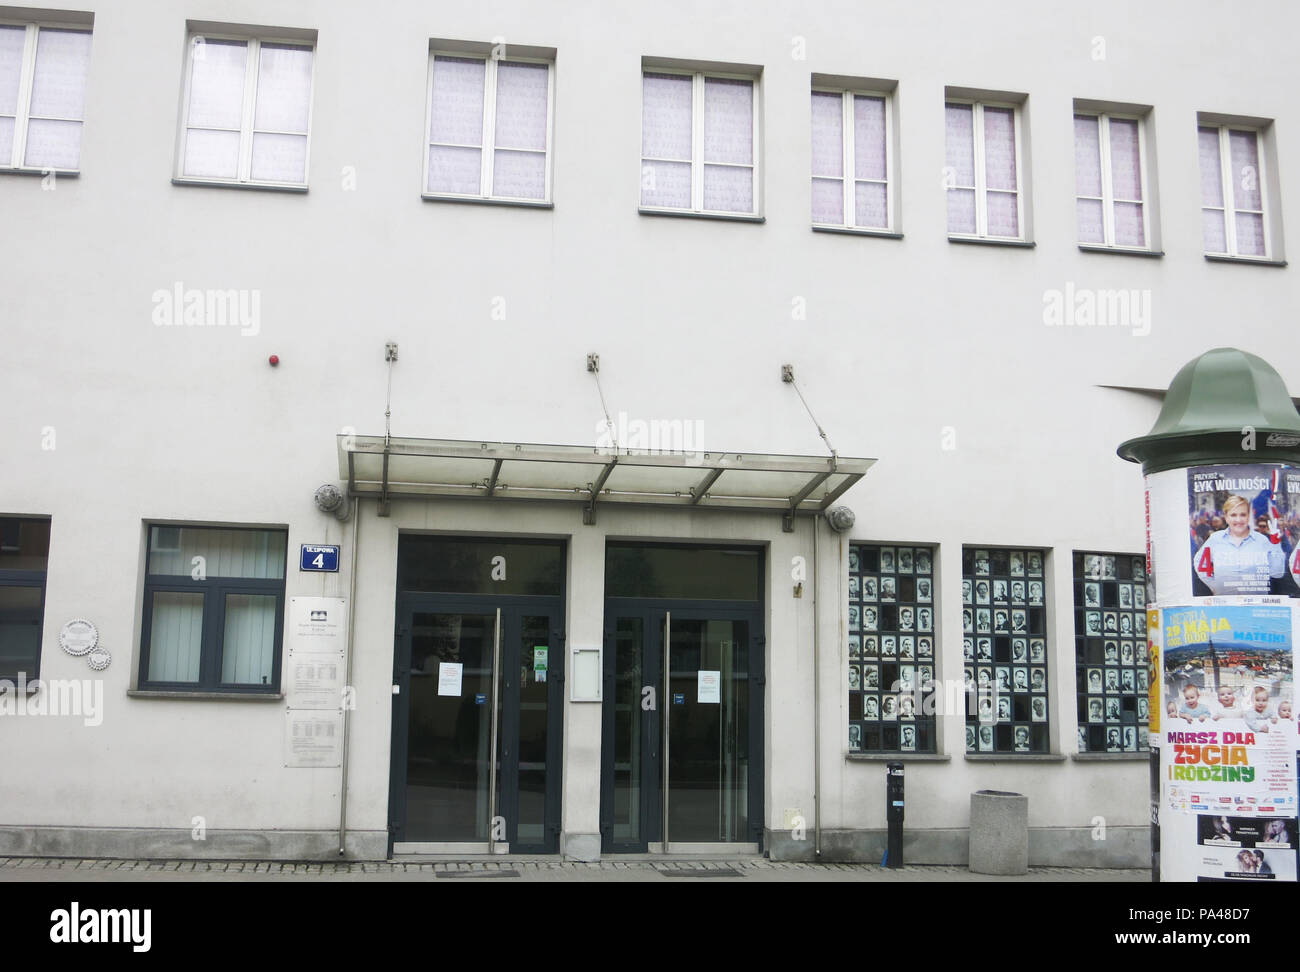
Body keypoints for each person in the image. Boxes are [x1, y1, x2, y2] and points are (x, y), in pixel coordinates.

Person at [1193, 495, 1286, 595]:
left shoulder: (1262, 540)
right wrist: (1214, 586)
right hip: (1225, 604)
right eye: (1233, 515)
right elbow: (1200, 563)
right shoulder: (1215, 539)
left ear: (1249, 516)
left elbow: (1278, 573)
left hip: (1256, 606)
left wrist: (1276, 545)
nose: (1238, 520)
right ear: (1226, 517)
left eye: (1243, 515)